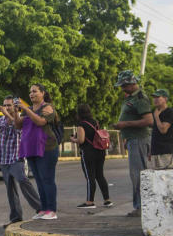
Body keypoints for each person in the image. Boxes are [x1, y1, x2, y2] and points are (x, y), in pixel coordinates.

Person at [0, 95, 41, 225]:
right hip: (3, 158)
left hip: (16, 157)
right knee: (10, 189)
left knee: (22, 180)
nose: (6, 107)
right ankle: (16, 217)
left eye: (9, 105)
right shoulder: (0, 120)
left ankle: (40, 207)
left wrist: (6, 114)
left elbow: (17, 127)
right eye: (4, 105)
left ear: (14, 106)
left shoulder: (19, 118)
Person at [14, 84, 60, 220]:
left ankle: (52, 210)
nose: (31, 94)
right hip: (31, 149)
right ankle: (44, 209)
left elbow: (41, 122)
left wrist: (26, 110)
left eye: (35, 91)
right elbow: (18, 124)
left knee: (47, 179)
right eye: (30, 92)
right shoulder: (27, 109)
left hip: (47, 148)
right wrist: (16, 112)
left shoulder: (47, 107)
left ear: (43, 93)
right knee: (39, 180)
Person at [113, 70, 152, 217]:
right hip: (133, 140)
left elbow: (149, 121)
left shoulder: (140, 98)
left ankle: (141, 207)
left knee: (138, 174)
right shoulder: (131, 97)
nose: (122, 88)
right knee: (136, 174)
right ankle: (140, 206)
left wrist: (125, 124)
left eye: (124, 85)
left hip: (139, 139)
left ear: (132, 83)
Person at [71, 104, 112, 209]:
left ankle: (90, 202)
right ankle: (107, 200)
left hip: (88, 153)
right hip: (99, 151)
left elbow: (81, 140)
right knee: (100, 175)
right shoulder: (95, 122)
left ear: (79, 113)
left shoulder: (81, 125)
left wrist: (73, 140)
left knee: (90, 177)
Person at [150, 88, 173, 169]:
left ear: (165, 98)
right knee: (157, 179)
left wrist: (156, 117)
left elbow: (163, 130)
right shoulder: (155, 112)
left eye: (158, 97)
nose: (155, 99)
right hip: (155, 151)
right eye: (154, 97)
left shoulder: (169, 112)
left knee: (167, 179)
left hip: (166, 152)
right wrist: (151, 150)